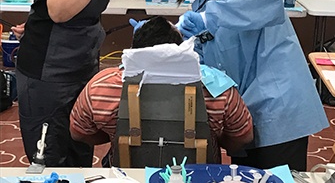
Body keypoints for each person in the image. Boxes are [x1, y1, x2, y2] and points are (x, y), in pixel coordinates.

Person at [175, 0, 329, 171]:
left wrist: (210, 16)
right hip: (242, 118)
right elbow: (204, 60)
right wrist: (169, 40)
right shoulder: (203, 1)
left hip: (277, 107)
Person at [16, 0, 148, 167]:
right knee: (51, 159)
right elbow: (59, 9)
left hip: (82, 70)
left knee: (79, 155)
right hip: (49, 73)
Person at [70, 16, 253, 166]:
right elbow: (243, 136)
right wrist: (209, 140)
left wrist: (114, 134)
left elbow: (78, 132)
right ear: (180, 48)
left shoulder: (100, 86)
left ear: (134, 50)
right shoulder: (218, 88)